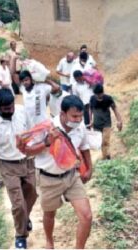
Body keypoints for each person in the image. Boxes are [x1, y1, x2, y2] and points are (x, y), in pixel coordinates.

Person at [18, 95, 93, 249]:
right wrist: (47, 142)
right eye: (74, 116)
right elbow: (27, 151)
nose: (78, 119)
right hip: (48, 178)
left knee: (87, 216)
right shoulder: (46, 128)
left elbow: (84, 147)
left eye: (80, 116)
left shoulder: (80, 126)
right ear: (62, 113)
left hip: (72, 176)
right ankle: (49, 241)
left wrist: (89, 168)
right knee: (50, 214)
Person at [0, 88, 38, 249]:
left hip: (27, 161)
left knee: (32, 194)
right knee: (18, 204)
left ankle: (25, 218)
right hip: (7, 166)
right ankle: (20, 236)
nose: (10, 111)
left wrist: (35, 147)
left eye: (11, 106)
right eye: (6, 109)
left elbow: (32, 131)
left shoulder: (21, 112)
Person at [90, 84, 123, 160]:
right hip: (96, 124)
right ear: (95, 94)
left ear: (103, 92)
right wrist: (91, 120)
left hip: (106, 123)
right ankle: (102, 156)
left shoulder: (108, 99)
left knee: (105, 141)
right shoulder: (92, 99)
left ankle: (107, 158)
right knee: (98, 143)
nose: (99, 96)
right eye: (97, 95)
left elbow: (115, 109)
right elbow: (90, 109)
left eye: (100, 94)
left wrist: (119, 120)